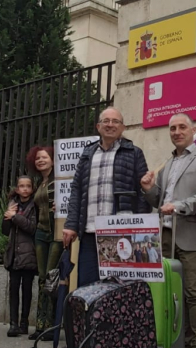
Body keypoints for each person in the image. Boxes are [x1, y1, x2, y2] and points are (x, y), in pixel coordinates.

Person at [140, 113, 196, 348]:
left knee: (195, 295)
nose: (177, 131)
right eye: (173, 128)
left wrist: (178, 206)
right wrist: (149, 189)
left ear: (193, 130)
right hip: (165, 237)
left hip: (193, 237)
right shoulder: (168, 162)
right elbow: (159, 201)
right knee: (167, 295)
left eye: (182, 127)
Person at [63, 107, 150, 287]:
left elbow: (143, 192)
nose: (110, 125)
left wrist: (140, 228)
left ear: (123, 127)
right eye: (106, 121)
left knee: (119, 288)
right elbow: (77, 190)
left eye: (115, 121)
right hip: (89, 231)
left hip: (120, 232)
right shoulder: (87, 154)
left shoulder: (134, 153)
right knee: (87, 287)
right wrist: (71, 224)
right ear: (98, 126)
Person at [26, 146, 58, 340]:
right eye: (37, 158)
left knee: (50, 278)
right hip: (40, 233)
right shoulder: (40, 182)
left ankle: (51, 326)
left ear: (53, 160)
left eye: (44, 157)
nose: (40, 160)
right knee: (41, 278)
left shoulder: (59, 181)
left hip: (56, 234)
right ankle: (40, 325)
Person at [2, 175, 39, 338]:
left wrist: (15, 217)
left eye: (28, 186)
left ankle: (24, 323)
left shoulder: (35, 205)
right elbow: (4, 230)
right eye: (21, 186)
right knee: (13, 289)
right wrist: (7, 216)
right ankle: (13, 323)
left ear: (32, 188)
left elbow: (32, 227)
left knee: (27, 289)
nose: (25, 189)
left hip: (29, 253)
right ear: (17, 188)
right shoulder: (13, 204)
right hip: (14, 254)